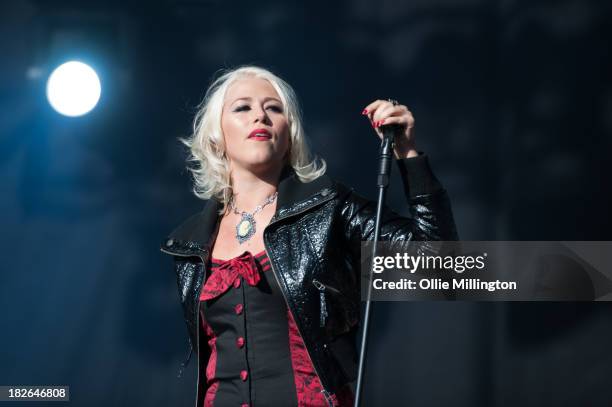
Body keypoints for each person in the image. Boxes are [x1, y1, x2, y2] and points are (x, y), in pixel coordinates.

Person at [160, 65, 458, 407]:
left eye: (274, 108)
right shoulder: (190, 244)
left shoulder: (328, 209)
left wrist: (407, 155)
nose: (260, 116)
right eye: (243, 108)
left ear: (290, 133)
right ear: (216, 136)